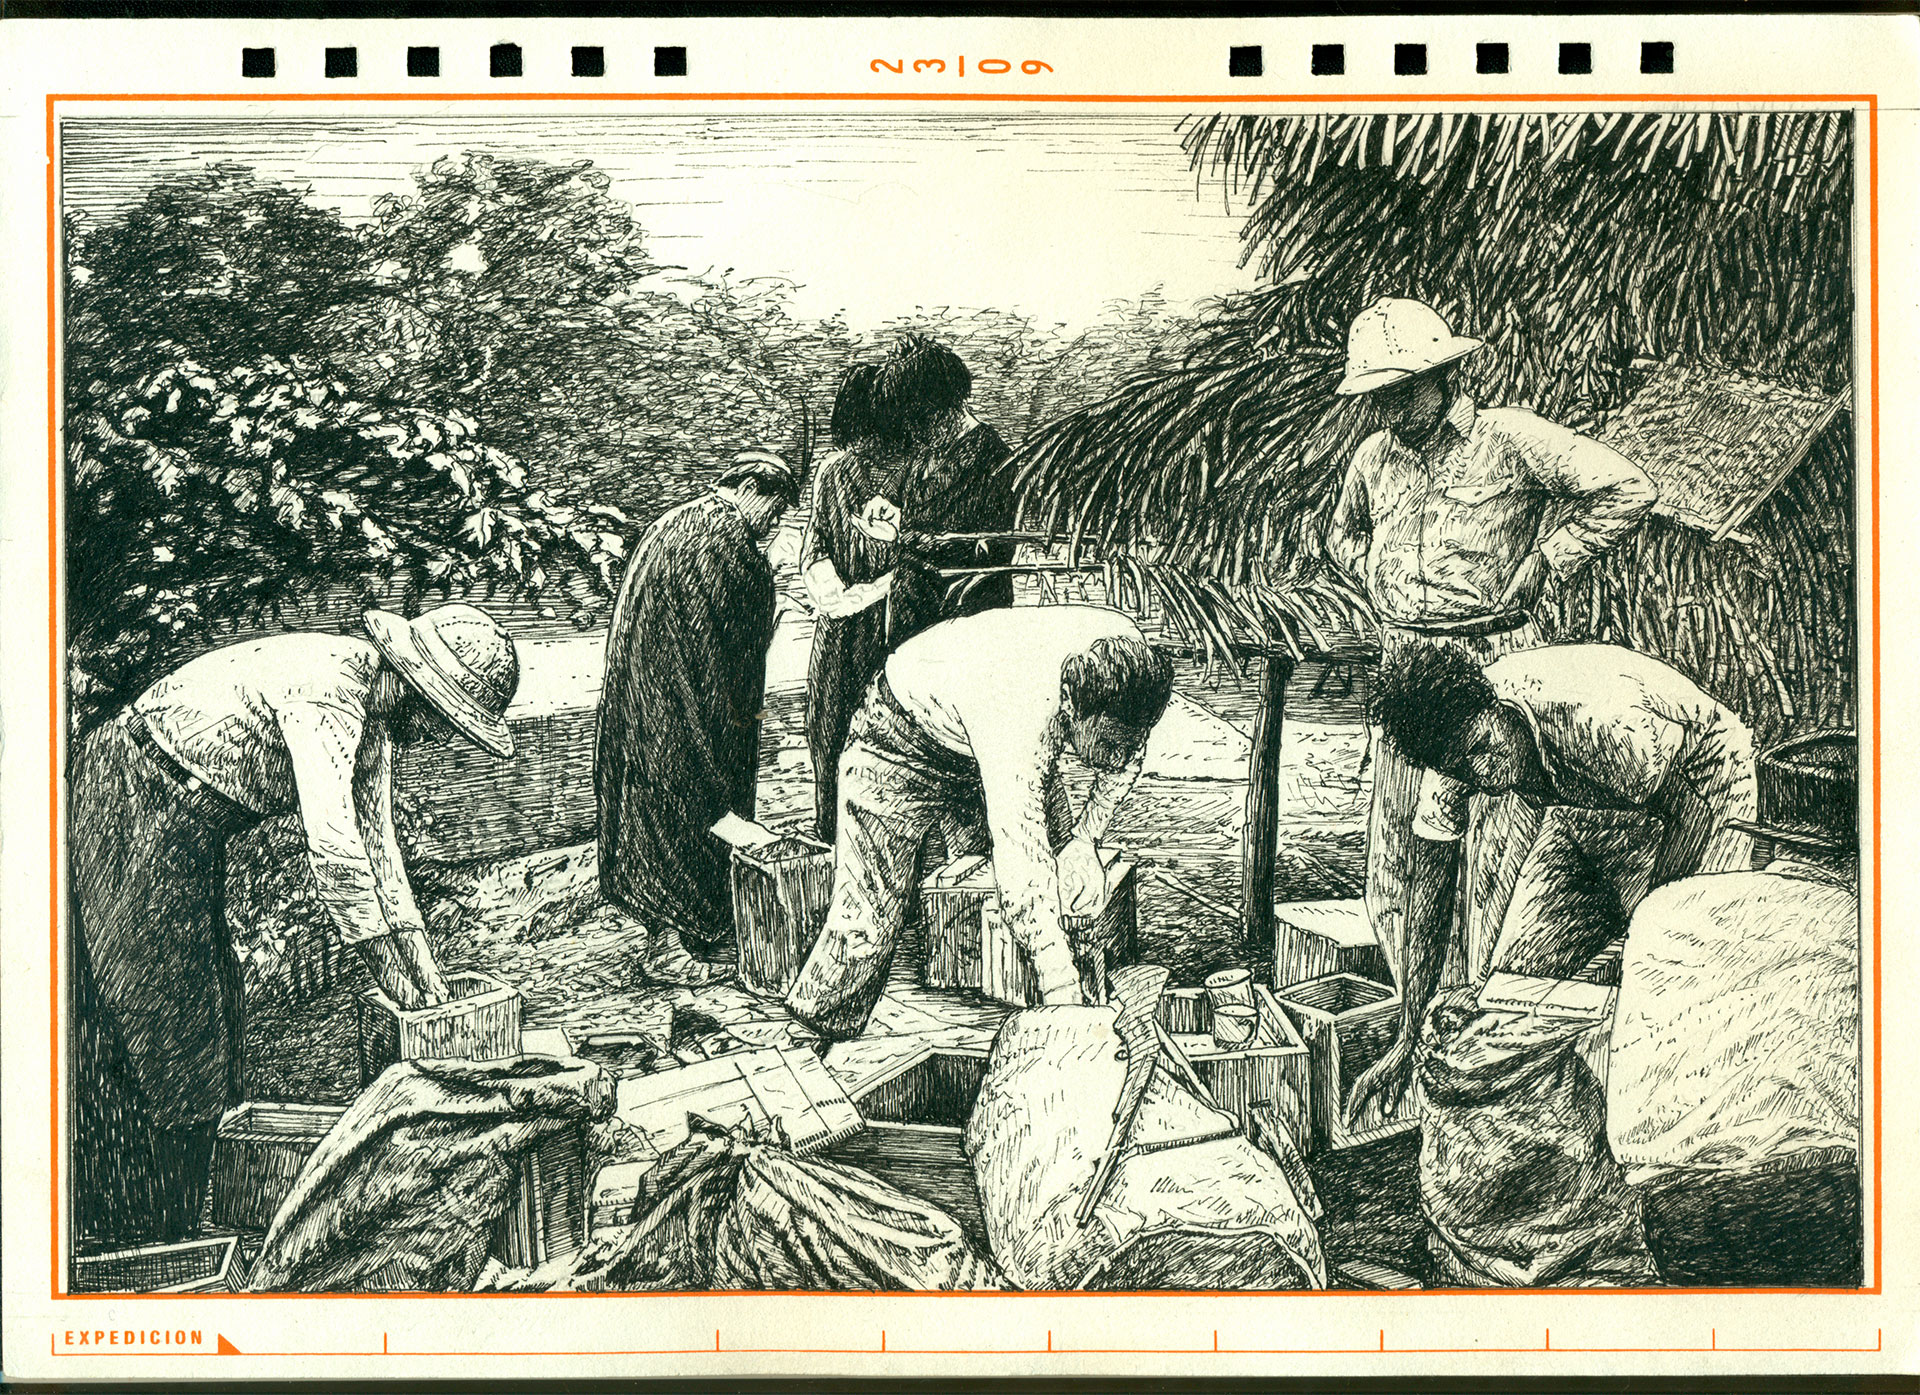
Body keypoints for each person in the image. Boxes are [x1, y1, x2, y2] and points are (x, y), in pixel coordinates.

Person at [69, 604, 520, 1245]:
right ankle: (144, 1235)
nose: (437, 733)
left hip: (184, 820)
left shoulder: (373, 717)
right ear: (411, 678)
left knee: (213, 1015)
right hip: (134, 791)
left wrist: (430, 984)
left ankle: (180, 1218)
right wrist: (396, 981)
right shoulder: (332, 694)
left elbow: (381, 854)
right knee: (167, 1021)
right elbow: (336, 855)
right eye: (439, 714)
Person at [1325, 297, 1656, 1003]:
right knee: (1399, 866)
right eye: (1375, 397)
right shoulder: (1372, 458)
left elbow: (1628, 487)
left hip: (1491, 668)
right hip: (1409, 672)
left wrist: (1549, 556)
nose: (1386, 411)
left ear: (1443, 376)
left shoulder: (1508, 439)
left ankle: (1477, 1020)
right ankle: (1417, 1019)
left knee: (1494, 868)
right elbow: (1343, 536)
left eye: (1399, 392)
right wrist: (1383, 586)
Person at [1346, 641, 1756, 1121]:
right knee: (1510, 987)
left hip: (1704, 788)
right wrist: (1408, 1032)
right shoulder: (1453, 745)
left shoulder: (1597, 715)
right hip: (1583, 801)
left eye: (1483, 748)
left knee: (1671, 968)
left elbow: (1683, 816)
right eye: (1462, 766)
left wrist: (1644, 934)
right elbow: (1430, 890)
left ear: (1496, 706)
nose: (1484, 773)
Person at [783, 605, 1174, 1041]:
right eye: (1107, 742)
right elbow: (1023, 870)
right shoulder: (1018, 716)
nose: (1121, 755)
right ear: (1070, 705)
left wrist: (1084, 839)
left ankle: (1041, 1012)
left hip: (977, 730)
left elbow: (1127, 759)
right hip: (899, 737)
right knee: (867, 915)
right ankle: (814, 1031)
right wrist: (1062, 990)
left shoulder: (1131, 667)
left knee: (1061, 886)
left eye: (1132, 740)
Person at [1608, 731, 1861, 1286]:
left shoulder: (1663, 908)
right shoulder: (1867, 924)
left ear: (1767, 842)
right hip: (1825, 1201)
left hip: (1675, 1216)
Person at [802, 333, 1018, 842]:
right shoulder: (922, 456)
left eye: (916, 419)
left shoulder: (991, 456)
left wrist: (902, 537)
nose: (911, 433)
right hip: (908, 630)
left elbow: (985, 554)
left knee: (954, 761)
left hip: (961, 633)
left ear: (941, 405)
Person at [595, 450, 800, 986]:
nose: (772, 528)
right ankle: (681, 940)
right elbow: (741, 641)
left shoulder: (673, 523)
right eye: (774, 514)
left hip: (645, 697)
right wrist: (769, 590)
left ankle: (670, 933)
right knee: (694, 808)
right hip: (690, 704)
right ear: (753, 491)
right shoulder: (728, 543)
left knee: (650, 807)